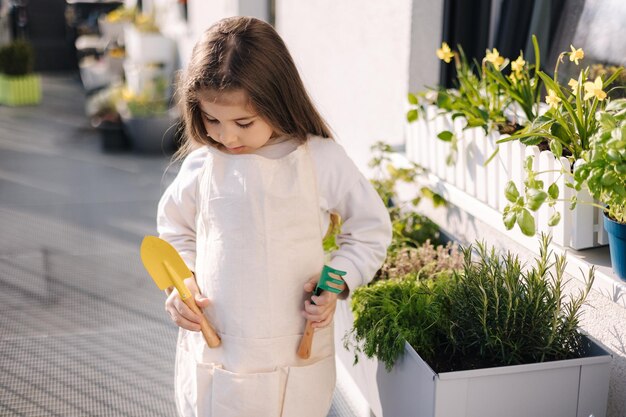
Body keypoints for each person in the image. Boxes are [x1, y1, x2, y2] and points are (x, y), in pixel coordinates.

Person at [157, 16, 391, 417]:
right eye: (211, 119)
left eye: (243, 123)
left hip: (295, 350)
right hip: (219, 349)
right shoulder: (202, 167)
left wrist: (336, 281)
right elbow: (173, 231)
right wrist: (181, 286)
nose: (226, 137)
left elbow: (369, 230)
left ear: (277, 103)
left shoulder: (320, 161)